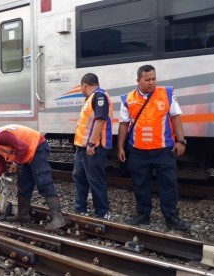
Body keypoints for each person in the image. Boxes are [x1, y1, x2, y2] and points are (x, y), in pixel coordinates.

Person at [117, 64, 190, 230]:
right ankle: (143, 214)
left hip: (164, 150)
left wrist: (181, 141)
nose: (151, 82)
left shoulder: (167, 93)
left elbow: (176, 117)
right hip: (138, 151)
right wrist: (120, 147)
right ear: (138, 80)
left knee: (169, 184)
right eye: (147, 79)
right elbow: (123, 125)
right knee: (140, 184)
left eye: (153, 78)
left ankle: (171, 217)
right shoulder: (128, 99)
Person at [0, 124, 66, 231]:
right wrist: (0, 177)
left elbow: (23, 147)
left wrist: (15, 163)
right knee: (24, 184)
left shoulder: (1, 136)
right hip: (28, 154)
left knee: (43, 182)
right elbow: (1, 162)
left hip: (37, 147)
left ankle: (58, 218)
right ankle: (23, 216)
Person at [73, 73, 113, 220]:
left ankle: (102, 212)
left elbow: (100, 120)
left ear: (84, 84)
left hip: (93, 148)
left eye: (81, 87)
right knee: (79, 177)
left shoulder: (99, 96)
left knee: (95, 179)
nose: (81, 89)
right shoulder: (90, 99)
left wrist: (91, 143)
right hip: (82, 148)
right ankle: (80, 208)